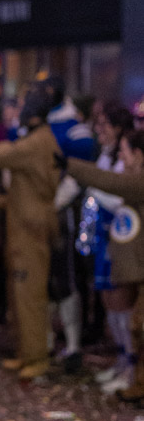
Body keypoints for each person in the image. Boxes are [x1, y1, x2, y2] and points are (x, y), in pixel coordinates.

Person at [0, 80, 61, 379]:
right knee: (20, 292)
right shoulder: (39, 138)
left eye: (21, 106)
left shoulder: (35, 142)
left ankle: (36, 358)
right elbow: (33, 186)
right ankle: (26, 353)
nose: (16, 112)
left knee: (29, 294)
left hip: (29, 229)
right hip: (23, 223)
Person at [63, 130, 144, 402]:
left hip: (134, 260)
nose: (120, 156)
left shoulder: (137, 181)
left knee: (133, 318)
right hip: (125, 255)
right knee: (128, 318)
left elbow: (111, 182)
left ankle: (133, 373)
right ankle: (128, 369)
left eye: (125, 151)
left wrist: (71, 166)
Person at [44, 76, 97, 373]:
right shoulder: (41, 125)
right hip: (40, 213)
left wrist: (56, 202)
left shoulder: (73, 128)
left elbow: (80, 172)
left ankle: (74, 344)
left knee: (66, 278)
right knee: (44, 279)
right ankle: (50, 340)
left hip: (64, 213)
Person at [85, 105, 134, 392]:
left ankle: (130, 364)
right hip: (103, 233)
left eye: (104, 124)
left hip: (120, 233)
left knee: (120, 300)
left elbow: (121, 196)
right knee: (107, 298)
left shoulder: (127, 158)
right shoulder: (105, 154)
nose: (99, 130)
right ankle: (121, 359)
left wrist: (93, 188)